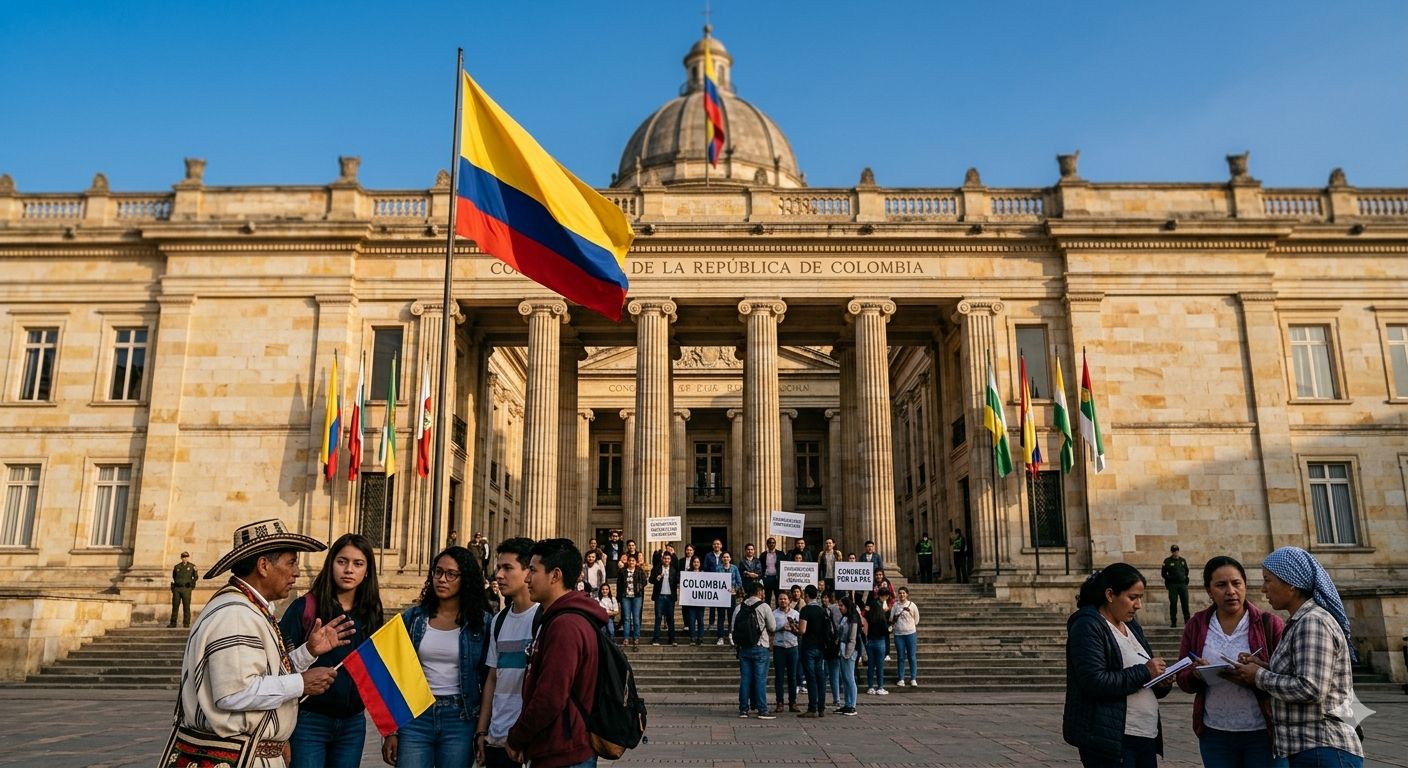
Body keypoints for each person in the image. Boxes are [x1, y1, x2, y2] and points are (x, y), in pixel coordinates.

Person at [178, 519, 354, 768]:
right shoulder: (236, 614)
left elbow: (260, 671)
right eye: (291, 562)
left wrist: (307, 652)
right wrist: (301, 683)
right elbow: (235, 692)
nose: (296, 572)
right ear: (263, 566)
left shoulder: (249, 609)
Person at [1224, 547, 1365, 767]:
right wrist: (1263, 665)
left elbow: (1311, 687)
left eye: (1268, 580)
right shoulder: (1301, 621)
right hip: (1310, 749)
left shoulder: (1313, 622)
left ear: (1291, 583)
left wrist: (1259, 675)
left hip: (1322, 747)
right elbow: (1300, 672)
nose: (1263, 589)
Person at [279, 533, 384, 768]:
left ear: (367, 571)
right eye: (342, 561)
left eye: (358, 564)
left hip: (352, 724)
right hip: (309, 721)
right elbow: (279, 664)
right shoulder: (304, 607)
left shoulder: (372, 612)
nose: (349, 570)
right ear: (331, 564)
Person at [382, 546, 490, 768]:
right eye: (438, 572)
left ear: (466, 579)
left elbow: (489, 678)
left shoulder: (482, 623)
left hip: (460, 717)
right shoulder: (413, 618)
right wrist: (390, 730)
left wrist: (482, 730)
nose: (442, 579)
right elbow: (394, 672)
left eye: (451, 574)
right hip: (415, 716)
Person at [505, 538, 608, 768]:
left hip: (563, 752)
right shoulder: (559, 618)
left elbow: (550, 697)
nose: (527, 578)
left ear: (555, 575)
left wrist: (517, 737)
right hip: (562, 747)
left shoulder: (565, 625)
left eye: (533, 570)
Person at [1175, 556, 1285, 768]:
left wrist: (1258, 671)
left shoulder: (1269, 624)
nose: (1231, 591)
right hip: (1215, 733)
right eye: (1221, 585)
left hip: (1263, 731)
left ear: (1245, 585)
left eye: (1236, 583)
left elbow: (1287, 674)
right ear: (1209, 591)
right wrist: (1196, 673)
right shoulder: (1196, 625)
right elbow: (1182, 677)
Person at [1063, 563, 1173, 768]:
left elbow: (1141, 679)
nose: (1138, 605)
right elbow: (1095, 681)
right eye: (1132, 597)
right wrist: (1145, 671)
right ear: (1110, 594)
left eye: (1140, 597)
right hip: (1111, 739)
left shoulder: (1131, 626)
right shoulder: (1088, 626)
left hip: (1144, 733)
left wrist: (1161, 681)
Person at [475, 537, 538, 768]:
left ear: (528, 572)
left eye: (507, 568)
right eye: (498, 568)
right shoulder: (498, 621)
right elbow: (492, 678)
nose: (498, 575)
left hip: (528, 742)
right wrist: (482, 731)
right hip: (497, 739)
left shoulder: (544, 619)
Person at [734, 580, 777, 719]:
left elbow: (734, 627)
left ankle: (743, 709)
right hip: (760, 646)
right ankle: (762, 709)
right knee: (760, 679)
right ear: (759, 592)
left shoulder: (739, 607)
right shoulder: (764, 607)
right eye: (763, 592)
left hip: (744, 648)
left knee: (745, 679)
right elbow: (772, 627)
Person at [796, 585, 828, 718]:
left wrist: (794, 628)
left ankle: (812, 708)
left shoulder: (805, 610)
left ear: (807, 595)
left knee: (811, 678)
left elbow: (802, 630)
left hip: (809, 647)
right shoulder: (822, 610)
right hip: (820, 647)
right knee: (820, 677)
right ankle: (821, 707)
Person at [828, 596, 860, 715]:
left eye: (841, 606)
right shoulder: (844, 618)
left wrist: (847, 653)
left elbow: (852, 638)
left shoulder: (853, 619)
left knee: (849, 678)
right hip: (842, 649)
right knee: (845, 678)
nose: (839, 608)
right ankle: (847, 703)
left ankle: (852, 705)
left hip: (849, 651)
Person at [772, 592, 801, 713]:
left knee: (792, 677)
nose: (783, 601)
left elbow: (800, 630)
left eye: (785, 599)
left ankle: (792, 702)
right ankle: (779, 702)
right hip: (779, 646)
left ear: (789, 600)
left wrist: (793, 629)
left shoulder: (795, 614)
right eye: (780, 599)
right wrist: (782, 627)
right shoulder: (774, 614)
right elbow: (771, 628)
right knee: (779, 676)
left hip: (792, 646)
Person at [889, 586, 919, 688]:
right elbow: (891, 618)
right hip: (898, 634)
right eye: (900, 593)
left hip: (910, 633)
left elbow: (917, 619)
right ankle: (901, 678)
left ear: (907, 594)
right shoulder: (895, 606)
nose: (902, 595)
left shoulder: (912, 605)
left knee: (911, 656)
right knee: (900, 657)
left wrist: (910, 625)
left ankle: (913, 678)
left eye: (904, 593)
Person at [650, 550, 679, 645]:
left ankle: (672, 639)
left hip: (670, 597)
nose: (666, 560)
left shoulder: (674, 570)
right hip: (659, 596)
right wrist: (656, 578)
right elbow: (650, 580)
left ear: (670, 560)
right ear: (662, 559)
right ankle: (656, 639)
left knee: (670, 618)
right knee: (658, 617)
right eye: (665, 558)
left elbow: (677, 581)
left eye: (668, 559)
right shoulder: (656, 568)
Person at [617, 552, 646, 647]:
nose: (631, 562)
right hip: (626, 597)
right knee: (626, 618)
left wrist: (639, 587)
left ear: (636, 562)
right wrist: (619, 597)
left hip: (637, 596)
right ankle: (626, 637)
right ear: (627, 562)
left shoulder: (639, 571)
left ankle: (636, 637)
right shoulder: (622, 571)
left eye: (633, 560)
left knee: (636, 618)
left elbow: (644, 582)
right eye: (630, 560)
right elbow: (619, 584)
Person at [862, 598, 890, 695]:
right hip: (880, 641)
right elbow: (886, 631)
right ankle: (880, 687)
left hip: (870, 641)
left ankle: (870, 687)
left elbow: (864, 630)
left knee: (871, 666)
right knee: (880, 666)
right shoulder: (881, 617)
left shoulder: (868, 616)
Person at [717, 552, 742, 644]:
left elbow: (739, 581)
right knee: (721, 617)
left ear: (730, 558)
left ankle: (731, 635)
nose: (726, 559)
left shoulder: (734, 568)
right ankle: (720, 637)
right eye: (724, 557)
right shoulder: (718, 568)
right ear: (722, 559)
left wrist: (735, 589)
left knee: (731, 616)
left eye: (727, 557)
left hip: (731, 596)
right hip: (721, 596)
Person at [1162, 545, 1191, 627]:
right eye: (1174, 551)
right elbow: (1163, 573)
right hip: (1173, 585)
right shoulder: (1167, 561)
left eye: (1177, 551)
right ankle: (1173, 622)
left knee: (1185, 603)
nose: (1175, 552)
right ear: (1172, 552)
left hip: (1182, 585)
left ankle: (1187, 622)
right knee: (1173, 603)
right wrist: (1169, 579)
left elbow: (1186, 571)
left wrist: (1185, 579)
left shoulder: (1182, 560)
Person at [681, 555, 707, 645]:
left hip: (700, 602)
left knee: (700, 620)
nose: (696, 563)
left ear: (700, 564)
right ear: (692, 563)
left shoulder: (704, 573)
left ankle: (700, 638)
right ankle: (692, 638)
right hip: (690, 601)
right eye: (695, 562)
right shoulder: (687, 573)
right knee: (691, 621)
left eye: (698, 562)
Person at [170, 551, 198, 628]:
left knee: (186, 606)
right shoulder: (177, 567)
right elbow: (174, 576)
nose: (184, 558)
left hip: (186, 589)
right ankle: (173, 623)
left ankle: (186, 623)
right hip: (177, 588)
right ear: (181, 558)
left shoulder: (192, 566)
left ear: (188, 558)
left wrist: (191, 583)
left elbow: (196, 577)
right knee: (175, 606)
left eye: (186, 557)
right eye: (183, 557)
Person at [761, 537, 783, 603]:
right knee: (767, 597)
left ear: (775, 544)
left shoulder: (780, 554)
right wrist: (762, 577)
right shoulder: (763, 555)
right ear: (767, 544)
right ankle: (767, 612)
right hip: (767, 578)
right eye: (770, 543)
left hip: (777, 578)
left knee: (778, 596)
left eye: (773, 543)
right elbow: (761, 567)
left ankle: (777, 612)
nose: (771, 544)